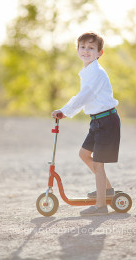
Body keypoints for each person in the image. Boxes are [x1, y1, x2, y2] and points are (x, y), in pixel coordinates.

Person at [51, 32, 120, 216]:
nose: (86, 51)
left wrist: (65, 111)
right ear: (77, 50)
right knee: (84, 154)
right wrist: (65, 111)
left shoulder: (96, 73)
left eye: (91, 48)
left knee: (98, 164)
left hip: (107, 120)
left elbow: (84, 96)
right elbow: (82, 97)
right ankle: (107, 190)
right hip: (97, 120)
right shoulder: (88, 71)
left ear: (100, 53)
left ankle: (100, 206)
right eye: (82, 47)